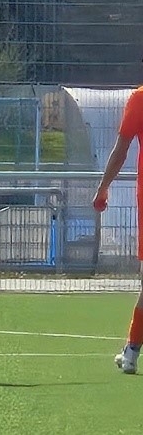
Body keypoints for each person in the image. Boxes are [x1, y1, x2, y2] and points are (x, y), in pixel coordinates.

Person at [93, 85, 143, 374]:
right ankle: (131, 350)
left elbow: (121, 150)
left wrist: (103, 188)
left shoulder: (139, 98)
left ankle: (132, 351)